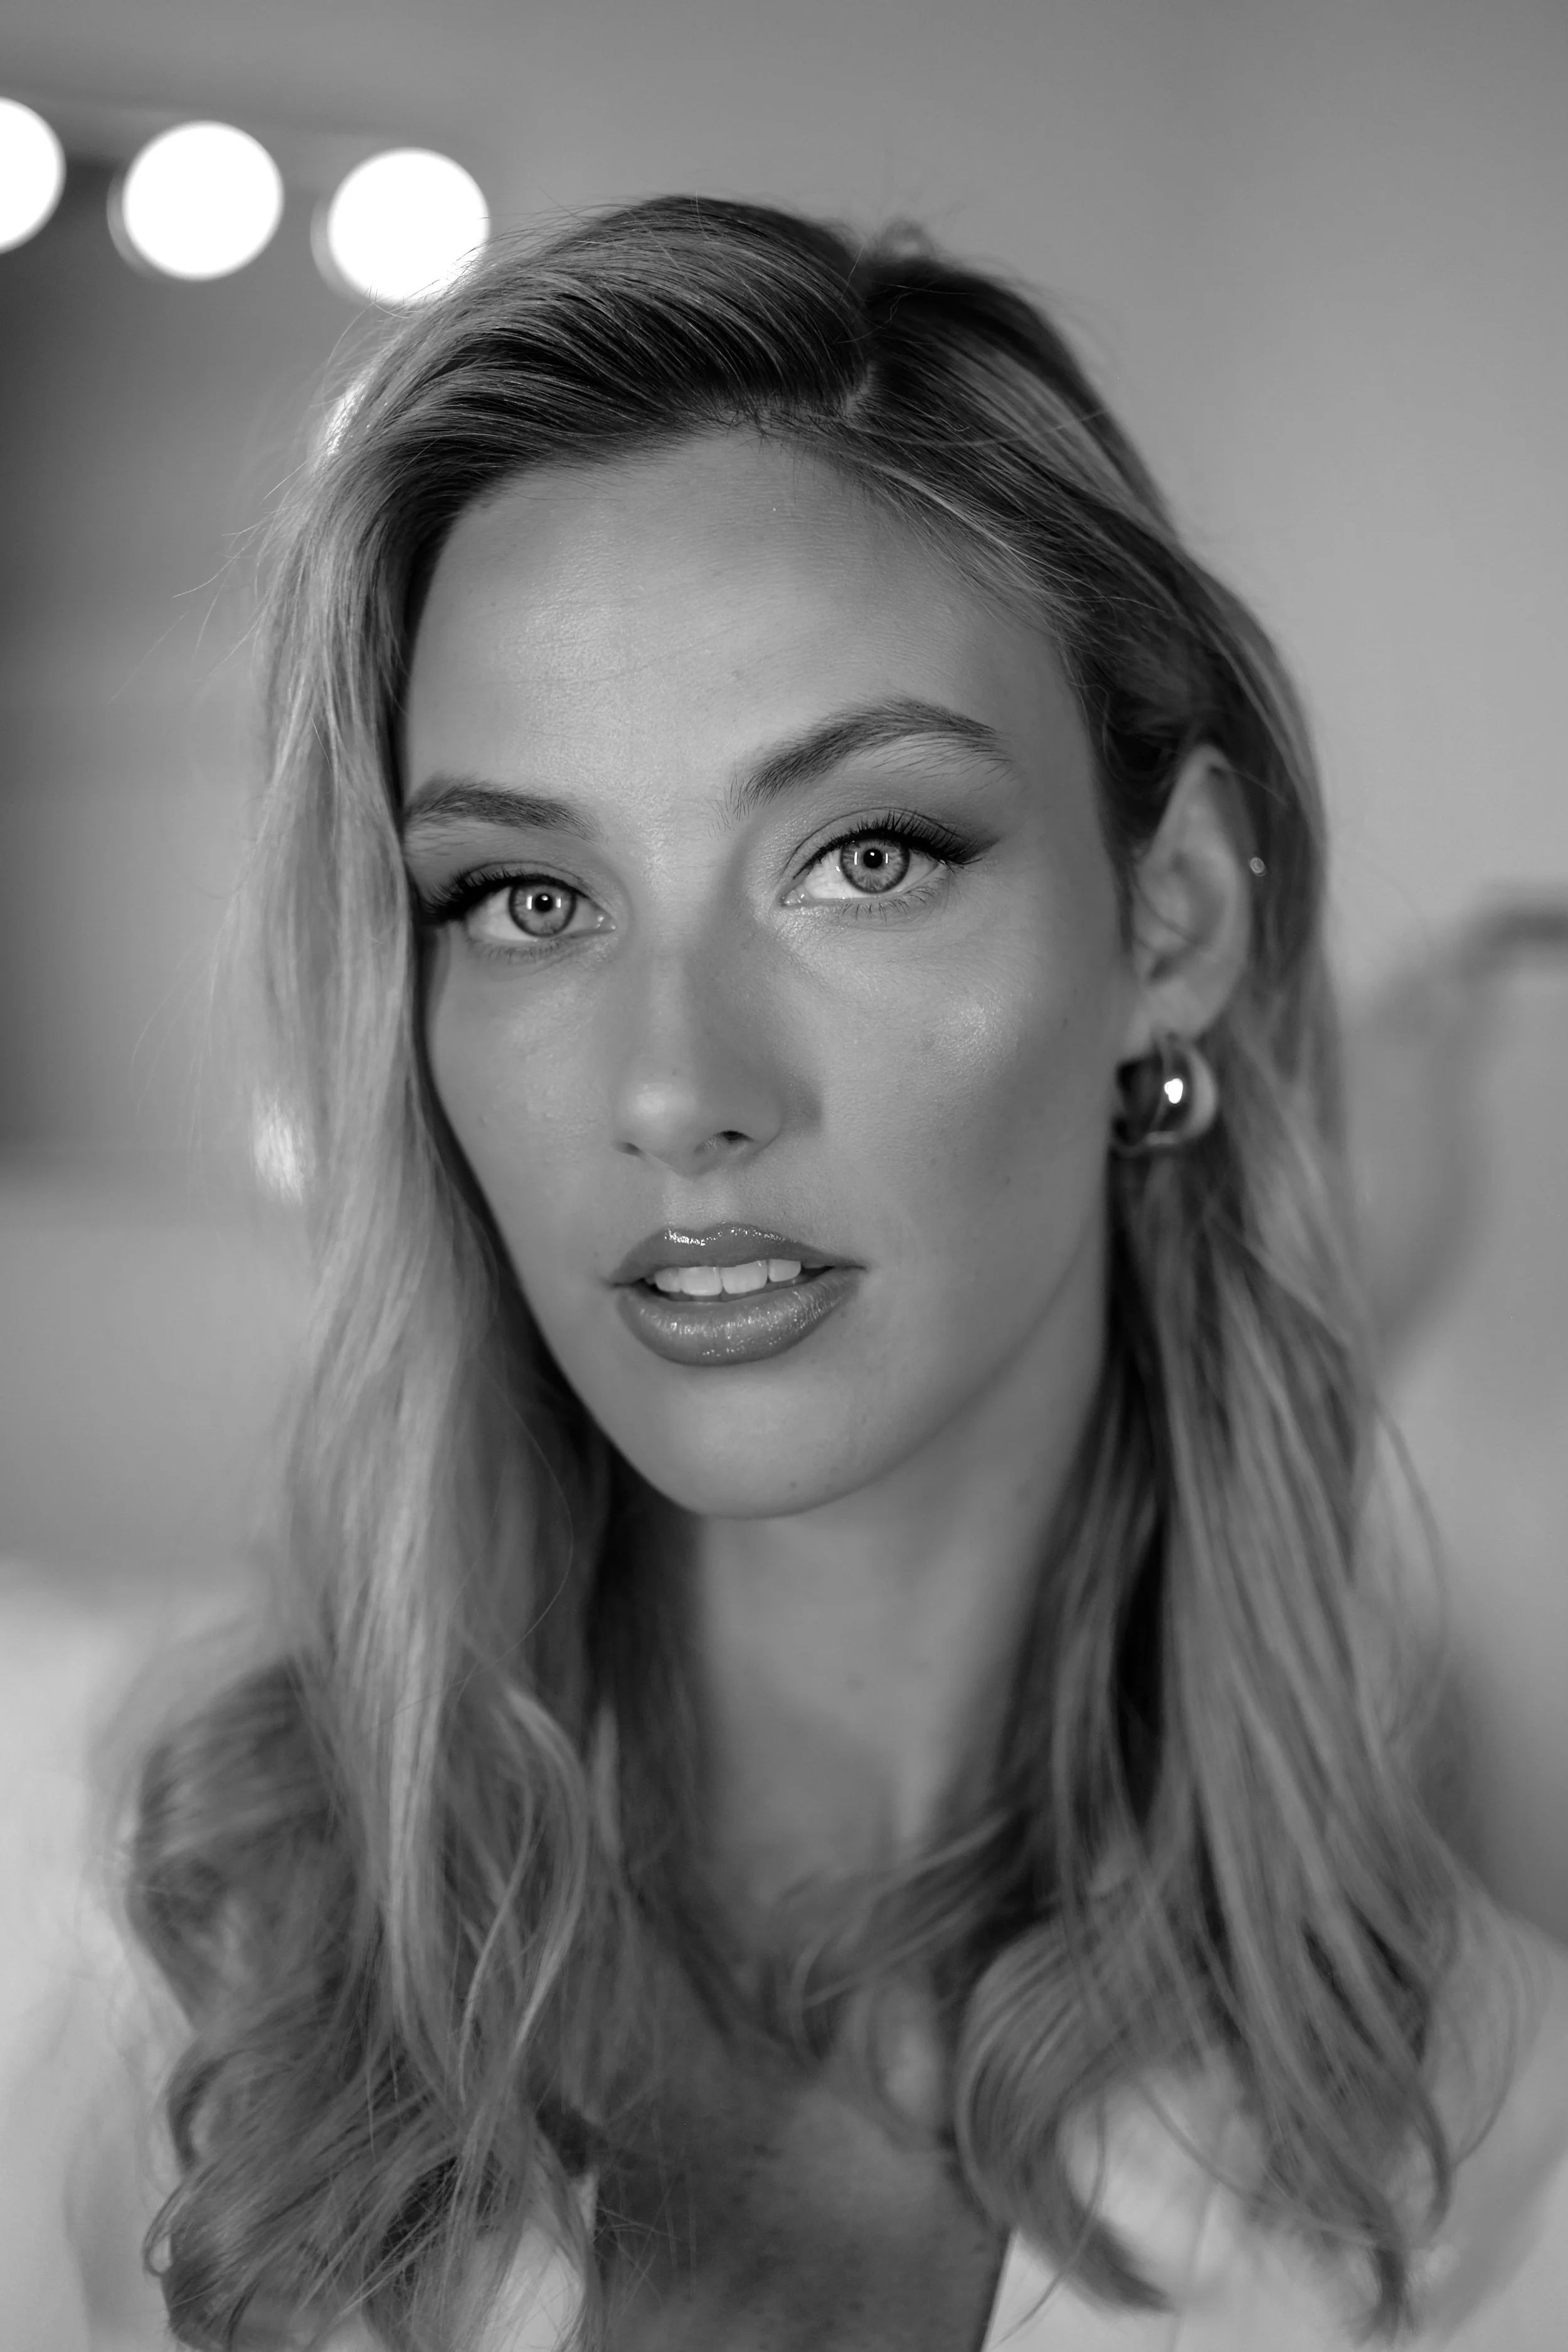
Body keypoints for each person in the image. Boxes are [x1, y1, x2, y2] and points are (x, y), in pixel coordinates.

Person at [4, 193, 1566, 2352]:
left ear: (1174, 916)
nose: (672, 1088)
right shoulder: (121, 1970)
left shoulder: (1512, 2173)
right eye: (524, 896)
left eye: (864, 854)